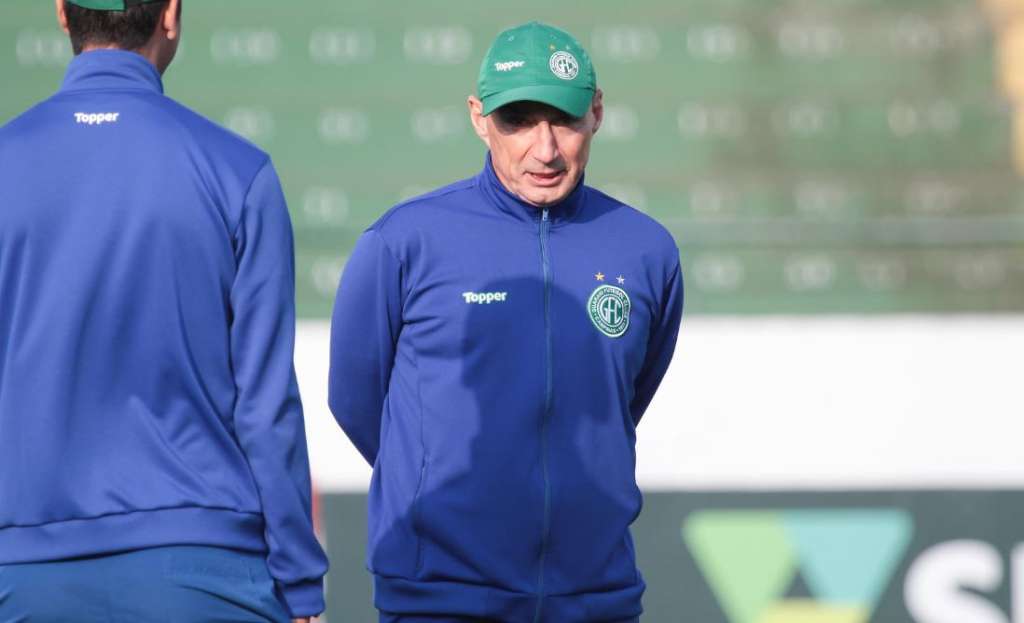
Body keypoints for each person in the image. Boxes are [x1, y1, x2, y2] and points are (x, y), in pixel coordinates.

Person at [329, 21, 683, 623]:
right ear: (478, 117)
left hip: (596, 599)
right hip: (439, 600)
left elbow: (623, 398)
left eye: (564, 120)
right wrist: (446, 489)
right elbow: (356, 401)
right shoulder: (404, 241)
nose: (544, 149)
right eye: (518, 121)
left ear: (596, 113)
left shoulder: (646, 251)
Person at [0, 1, 328, 621]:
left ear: (62, 15)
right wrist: (300, 577)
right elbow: (264, 404)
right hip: (204, 574)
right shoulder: (239, 172)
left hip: (23, 572)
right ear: (170, 15)